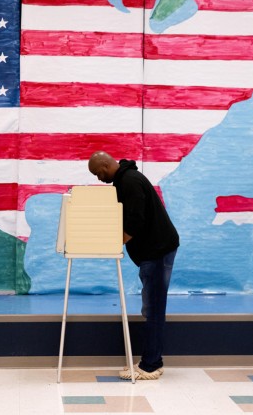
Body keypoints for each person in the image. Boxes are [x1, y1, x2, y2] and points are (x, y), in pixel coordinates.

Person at [88, 151, 180, 380]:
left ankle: (151, 365)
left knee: (154, 310)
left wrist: (112, 241)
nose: (98, 178)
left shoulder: (129, 181)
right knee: (151, 309)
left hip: (157, 251)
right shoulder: (126, 180)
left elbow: (136, 221)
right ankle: (150, 360)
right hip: (154, 251)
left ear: (105, 165)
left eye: (97, 173)